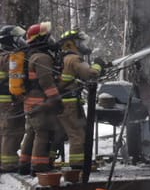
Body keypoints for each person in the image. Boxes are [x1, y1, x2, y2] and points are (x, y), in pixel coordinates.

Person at [57, 30, 104, 171]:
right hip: (70, 103)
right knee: (77, 133)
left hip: (63, 102)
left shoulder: (63, 58)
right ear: (72, 43)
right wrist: (98, 65)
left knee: (68, 132)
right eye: (80, 42)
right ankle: (78, 165)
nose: (83, 45)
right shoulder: (74, 59)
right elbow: (90, 74)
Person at [23, 22, 62, 173]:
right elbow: (46, 81)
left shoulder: (31, 55)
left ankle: (24, 164)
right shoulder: (42, 58)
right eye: (48, 37)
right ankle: (39, 166)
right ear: (41, 39)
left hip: (31, 101)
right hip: (41, 102)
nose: (51, 40)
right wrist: (55, 99)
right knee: (43, 133)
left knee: (32, 132)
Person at [0, 25, 26, 173]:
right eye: (18, 38)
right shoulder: (9, 58)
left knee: (3, 130)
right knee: (12, 130)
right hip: (9, 100)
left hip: (4, 100)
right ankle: (9, 163)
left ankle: (4, 160)